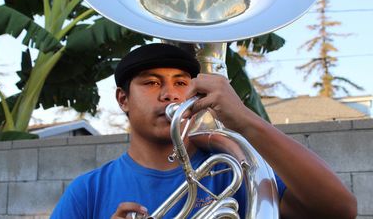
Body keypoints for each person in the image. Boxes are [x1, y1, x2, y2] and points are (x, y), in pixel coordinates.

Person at [51, 43, 357, 219]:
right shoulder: (87, 191)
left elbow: (339, 210)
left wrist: (245, 120)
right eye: (152, 82)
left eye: (181, 83)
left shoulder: (233, 170)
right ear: (123, 99)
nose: (170, 94)